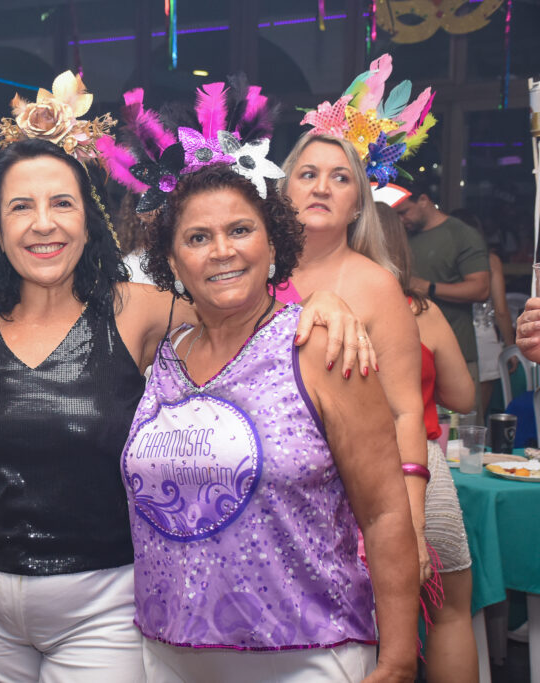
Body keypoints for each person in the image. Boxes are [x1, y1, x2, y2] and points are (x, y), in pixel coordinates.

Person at [0, 75, 373, 681]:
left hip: (104, 602)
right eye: (20, 207)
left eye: (62, 204)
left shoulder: (142, 311)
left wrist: (317, 305)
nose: (43, 224)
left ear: (88, 221)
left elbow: (241, 311)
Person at [128, 161, 418, 682]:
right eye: (198, 238)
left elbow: (384, 512)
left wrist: (398, 659)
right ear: (172, 261)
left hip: (306, 651)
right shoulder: (165, 356)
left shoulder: (320, 347)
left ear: (273, 246)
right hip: (169, 651)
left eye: (240, 230)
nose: (222, 250)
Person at [280, 133, 432, 582]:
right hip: (266, 494)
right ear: (284, 190)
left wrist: (413, 526)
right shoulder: (251, 275)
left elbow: (405, 412)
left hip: (346, 502)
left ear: (359, 205)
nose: (321, 188)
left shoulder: (377, 287)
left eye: (340, 178)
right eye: (308, 174)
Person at [379, 201, 478, 682]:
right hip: (423, 468)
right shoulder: (420, 311)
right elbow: (463, 397)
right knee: (449, 613)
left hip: (349, 470)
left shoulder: (312, 305)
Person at [397, 179, 490, 418]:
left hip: (457, 351)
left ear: (424, 200)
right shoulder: (404, 237)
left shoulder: (461, 235)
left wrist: (428, 287)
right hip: (414, 354)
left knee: (461, 430)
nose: (401, 220)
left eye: (404, 212)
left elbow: (480, 288)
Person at [451, 209, 516, 416]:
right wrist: (511, 346)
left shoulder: (442, 260)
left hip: (451, 335)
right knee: (476, 414)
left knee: (450, 412)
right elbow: (501, 310)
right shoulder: (489, 260)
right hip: (483, 338)